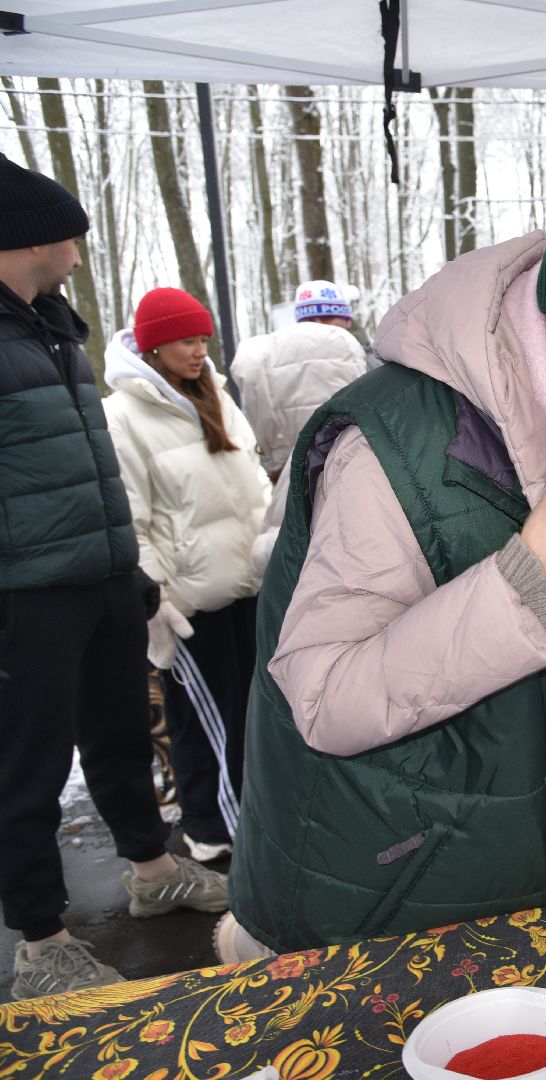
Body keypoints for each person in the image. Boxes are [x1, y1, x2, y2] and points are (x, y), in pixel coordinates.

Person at [221, 125, 546, 958]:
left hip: (529, 868)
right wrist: (531, 573)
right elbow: (320, 697)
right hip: (371, 895)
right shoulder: (397, 440)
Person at [0, 157, 227, 1000]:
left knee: (120, 733)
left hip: (96, 571)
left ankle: (152, 867)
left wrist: (124, 565)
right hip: (25, 588)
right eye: (71, 235)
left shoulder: (50, 323)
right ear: (28, 238)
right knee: (25, 762)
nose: (79, 251)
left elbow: (85, 465)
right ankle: (40, 936)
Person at [104, 287, 273, 864]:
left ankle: (253, 819)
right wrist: (156, 600)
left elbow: (254, 487)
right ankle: (213, 836)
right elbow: (130, 516)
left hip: (246, 586)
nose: (199, 350)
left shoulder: (217, 397)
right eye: (185, 340)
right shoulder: (123, 417)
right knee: (205, 724)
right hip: (189, 604)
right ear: (153, 347)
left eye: (203, 338)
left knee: (253, 711)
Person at [230, 278, 368, 481]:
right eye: (313, 319)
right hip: (354, 470)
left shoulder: (266, 354)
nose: (320, 327)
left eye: (328, 319)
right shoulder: (360, 351)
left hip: (290, 474)